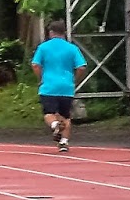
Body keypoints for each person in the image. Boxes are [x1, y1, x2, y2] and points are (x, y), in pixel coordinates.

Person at [32, 19, 88, 153]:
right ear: (64, 32)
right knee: (66, 116)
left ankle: (55, 124)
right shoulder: (72, 48)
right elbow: (81, 67)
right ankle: (64, 142)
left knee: (48, 113)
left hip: (49, 86)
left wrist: (40, 78)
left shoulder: (43, 47)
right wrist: (74, 80)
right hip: (66, 87)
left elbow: (35, 64)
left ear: (51, 32)